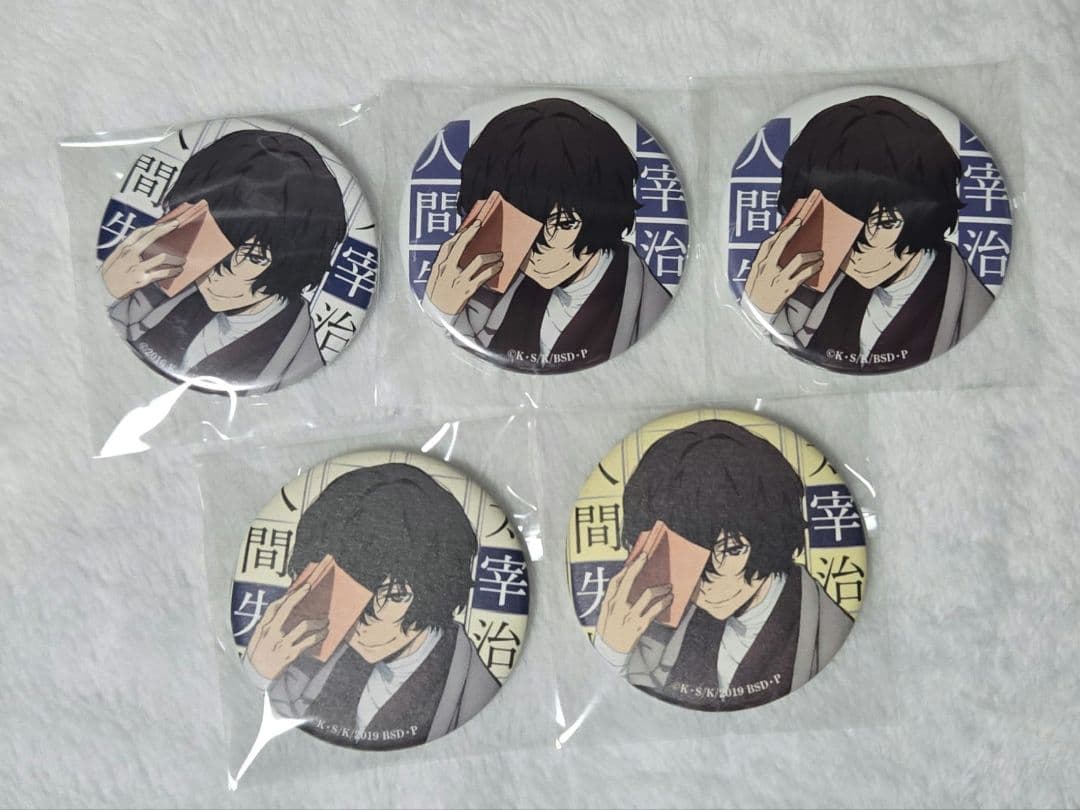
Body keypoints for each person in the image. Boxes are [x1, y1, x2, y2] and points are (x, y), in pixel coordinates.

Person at [592, 420, 853, 711]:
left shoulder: (828, 630)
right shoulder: (657, 627)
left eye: (731, 550)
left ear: (772, 533)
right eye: (685, 555)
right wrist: (611, 651)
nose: (703, 583)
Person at [241, 464, 499, 750]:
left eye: (392, 596)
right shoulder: (311, 656)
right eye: (341, 595)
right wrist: (258, 673)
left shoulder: (474, 693)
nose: (351, 624)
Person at [741, 95, 993, 373]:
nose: (854, 251)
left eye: (883, 223)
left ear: (926, 209)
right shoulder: (807, 293)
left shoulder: (972, 311)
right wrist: (761, 308)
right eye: (838, 224)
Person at [422, 97, 671, 373]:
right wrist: (442, 310)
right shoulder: (489, 293)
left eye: (562, 224)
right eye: (518, 225)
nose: (534, 252)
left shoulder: (650, 309)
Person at [101, 129, 346, 392]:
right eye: (210, 238)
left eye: (252, 257)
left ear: (299, 259)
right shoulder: (158, 287)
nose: (214, 271)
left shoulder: (297, 365)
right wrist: (111, 289)